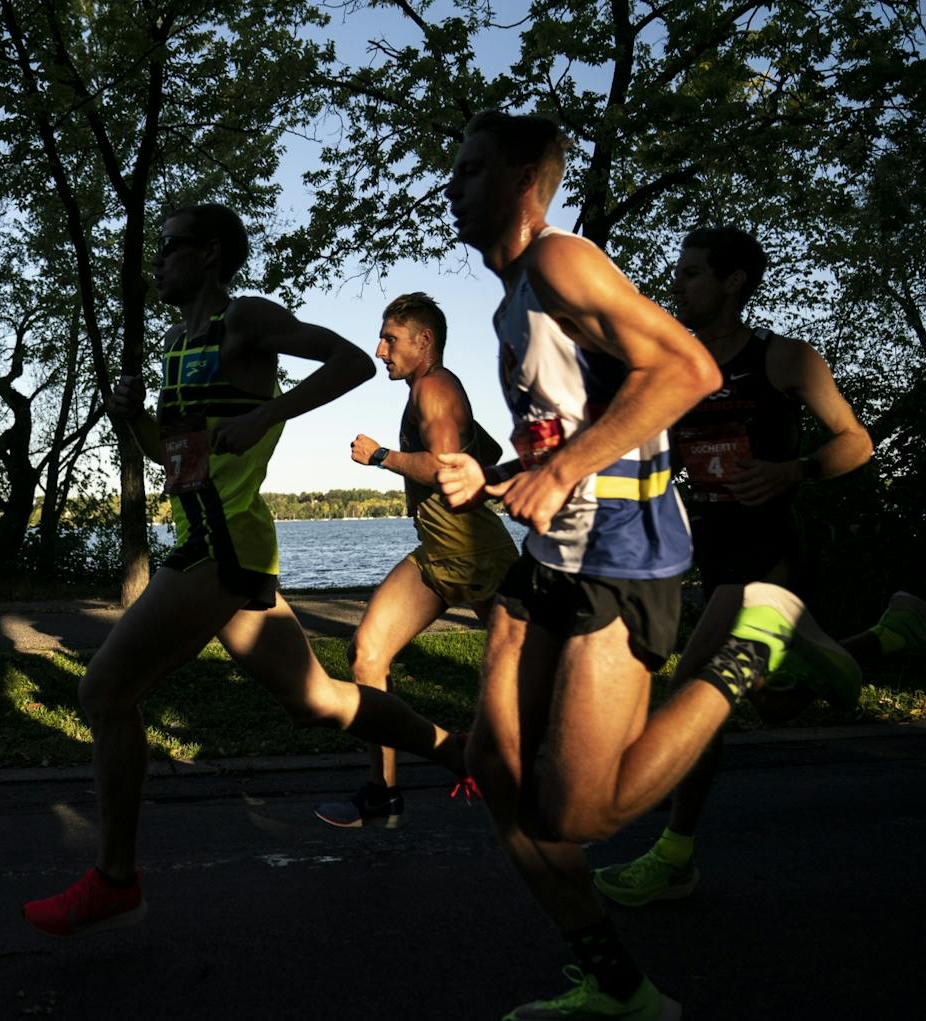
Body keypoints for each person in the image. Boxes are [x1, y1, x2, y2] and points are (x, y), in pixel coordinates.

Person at [433, 111, 861, 1020]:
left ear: (519, 182)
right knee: (496, 767)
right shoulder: (514, 295)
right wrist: (507, 468)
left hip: (622, 553)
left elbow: (690, 369)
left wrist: (558, 468)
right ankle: (619, 987)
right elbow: (583, 424)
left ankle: (755, 642)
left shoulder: (558, 260)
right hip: (557, 548)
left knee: (583, 815)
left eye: (470, 171)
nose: (452, 185)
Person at [21, 202, 474, 938]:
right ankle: (457, 747)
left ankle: (115, 879)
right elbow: (176, 461)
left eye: (167, 247)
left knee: (104, 688)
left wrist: (269, 414)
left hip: (221, 547)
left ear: (206, 254)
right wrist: (130, 418)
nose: (157, 260)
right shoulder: (176, 342)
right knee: (319, 700)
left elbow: (351, 362)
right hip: (210, 539)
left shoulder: (248, 321)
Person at [592, 227, 926, 908]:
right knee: (771, 703)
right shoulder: (675, 371)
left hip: (774, 545)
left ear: (733, 281)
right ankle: (883, 639)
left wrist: (792, 470)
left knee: (694, 691)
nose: (677, 282)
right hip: (717, 550)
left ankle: (675, 855)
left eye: (691, 272)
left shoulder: (784, 360)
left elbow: (857, 442)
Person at [314, 292, 517, 828]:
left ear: (424, 341)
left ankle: (570, 788)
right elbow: (482, 455)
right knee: (367, 653)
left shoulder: (433, 385)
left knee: (523, 677)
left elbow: (446, 466)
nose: (380, 350)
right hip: (438, 549)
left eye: (390, 339)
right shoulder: (434, 391)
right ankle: (383, 792)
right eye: (382, 340)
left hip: (475, 551)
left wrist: (381, 456)